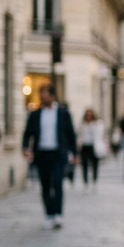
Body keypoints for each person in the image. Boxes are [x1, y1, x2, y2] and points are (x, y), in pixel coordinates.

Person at [22, 84, 78, 229]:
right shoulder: (35, 114)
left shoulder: (63, 113)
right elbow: (27, 133)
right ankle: (49, 214)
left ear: (52, 96)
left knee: (58, 183)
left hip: (58, 154)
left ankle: (58, 214)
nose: (42, 96)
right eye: (41, 93)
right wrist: (26, 148)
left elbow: (71, 134)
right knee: (45, 185)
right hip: (42, 154)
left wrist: (75, 153)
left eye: (45, 93)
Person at [77, 109, 106, 186]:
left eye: (90, 115)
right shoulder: (82, 124)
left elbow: (101, 134)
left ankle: (94, 179)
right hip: (85, 145)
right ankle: (85, 180)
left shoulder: (97, 124)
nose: (89, 117)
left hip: (94, 146)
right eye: (87, 115)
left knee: (95, 164)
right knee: (84, 163)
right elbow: (79, 134)